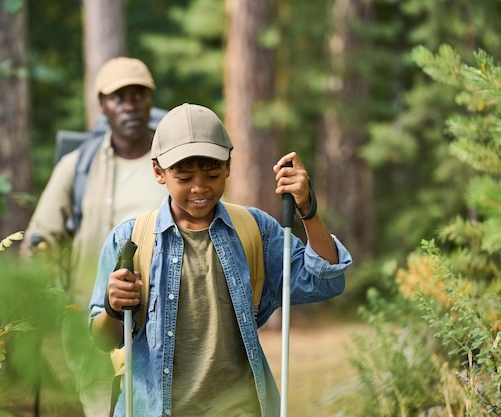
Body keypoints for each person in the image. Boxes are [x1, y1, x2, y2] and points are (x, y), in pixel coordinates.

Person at [89, 103, 353, 417]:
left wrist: (307, 209)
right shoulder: (129, 241)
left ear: (228, 165)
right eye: (184, 177)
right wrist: (113, 306)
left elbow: (325, 281)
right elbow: (103, 340)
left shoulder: (255, 230)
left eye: (212, 174)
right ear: (159, 171)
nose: (200, 187)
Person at [22, 57, 169, 416]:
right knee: (103, 405)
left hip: (166, 314)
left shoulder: (176, 161)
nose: (130, 105)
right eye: (119, 97)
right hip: (99, 319)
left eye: (138, 95)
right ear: (102, 105)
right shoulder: (77, 166)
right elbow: (40, 237)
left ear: (150, 100)